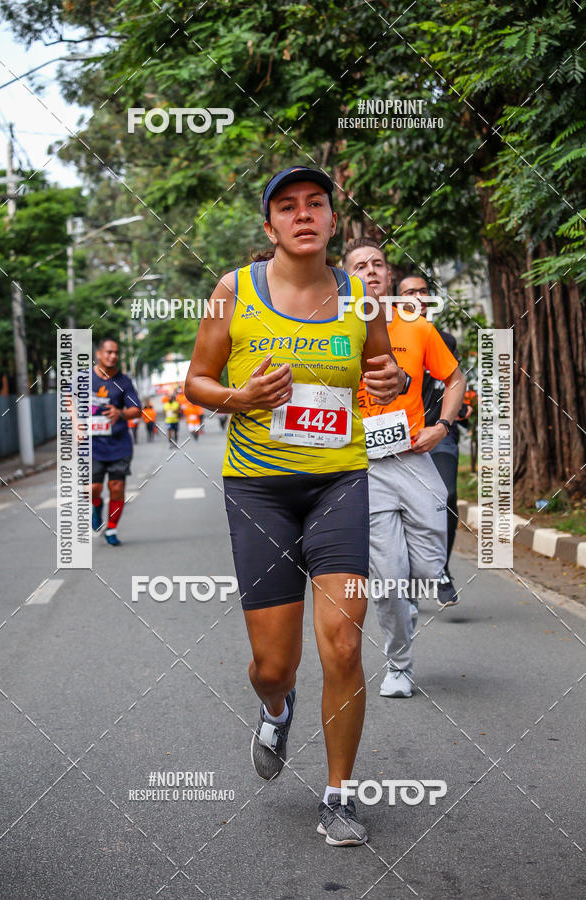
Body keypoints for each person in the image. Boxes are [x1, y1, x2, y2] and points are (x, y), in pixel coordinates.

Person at [185, 167, 405, 846]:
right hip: (258, 490)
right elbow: (197, 380)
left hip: (340, 482)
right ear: (270, 226)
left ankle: (339, 795)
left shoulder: (359, 300)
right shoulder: (236, 290)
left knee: (342, 642)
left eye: (316, 204)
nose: (303, 214)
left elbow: (383, 370)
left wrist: (390, 377)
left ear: (333, 221)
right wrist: (238, 398)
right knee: (273, 665)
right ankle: (275, 708)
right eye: (288, 207)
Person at [342, 238, 466, 698]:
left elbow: (454, 379)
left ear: (390, 276)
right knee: (388, 577)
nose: (371, 271)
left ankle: (407, 603)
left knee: (431, 566)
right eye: (359, 265)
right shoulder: (333, 328)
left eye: (378, 264)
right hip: (365, 468)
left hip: (415, 460)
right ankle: (399, 664)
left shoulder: (414, 325)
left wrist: (442, 425)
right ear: (344, 276)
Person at [417, 281, 472, 606]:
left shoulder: (445, 341)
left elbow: (452, 381)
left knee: (447, 494)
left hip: (439, 433)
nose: (417, 298)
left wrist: (453, 412)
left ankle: (440, 570)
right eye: (408, 293)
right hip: (390, 435)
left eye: (422, 291)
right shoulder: (382, 334)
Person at [90, 337, 141, 546]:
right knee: (92, 488)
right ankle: (96, 505)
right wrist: (75, 422)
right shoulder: (84, 379)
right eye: (109, 352)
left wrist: (120, 413)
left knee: (117, 487)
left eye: (116, 353)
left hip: (119, 445)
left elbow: (137, 409)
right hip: (91, 446)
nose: (113, 356)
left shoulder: (123, 382)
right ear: (99, 354)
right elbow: (68, 398)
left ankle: (111, 528)